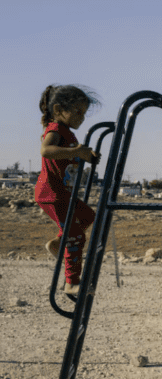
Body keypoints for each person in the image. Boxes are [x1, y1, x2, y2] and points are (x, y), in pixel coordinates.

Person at [35, 84, 101, 297]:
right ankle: (72, 282)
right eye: (77, 112)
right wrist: (76, 151)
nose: (81, 118)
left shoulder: (68, 134)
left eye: (84, 113)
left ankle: (57, 243)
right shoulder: (55, 129)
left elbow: (73, 154)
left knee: (88, 216)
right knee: (75, 236)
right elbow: (46, 150)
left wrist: (86, 155)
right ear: (57, 110)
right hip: (51, 193)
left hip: (64, 194)